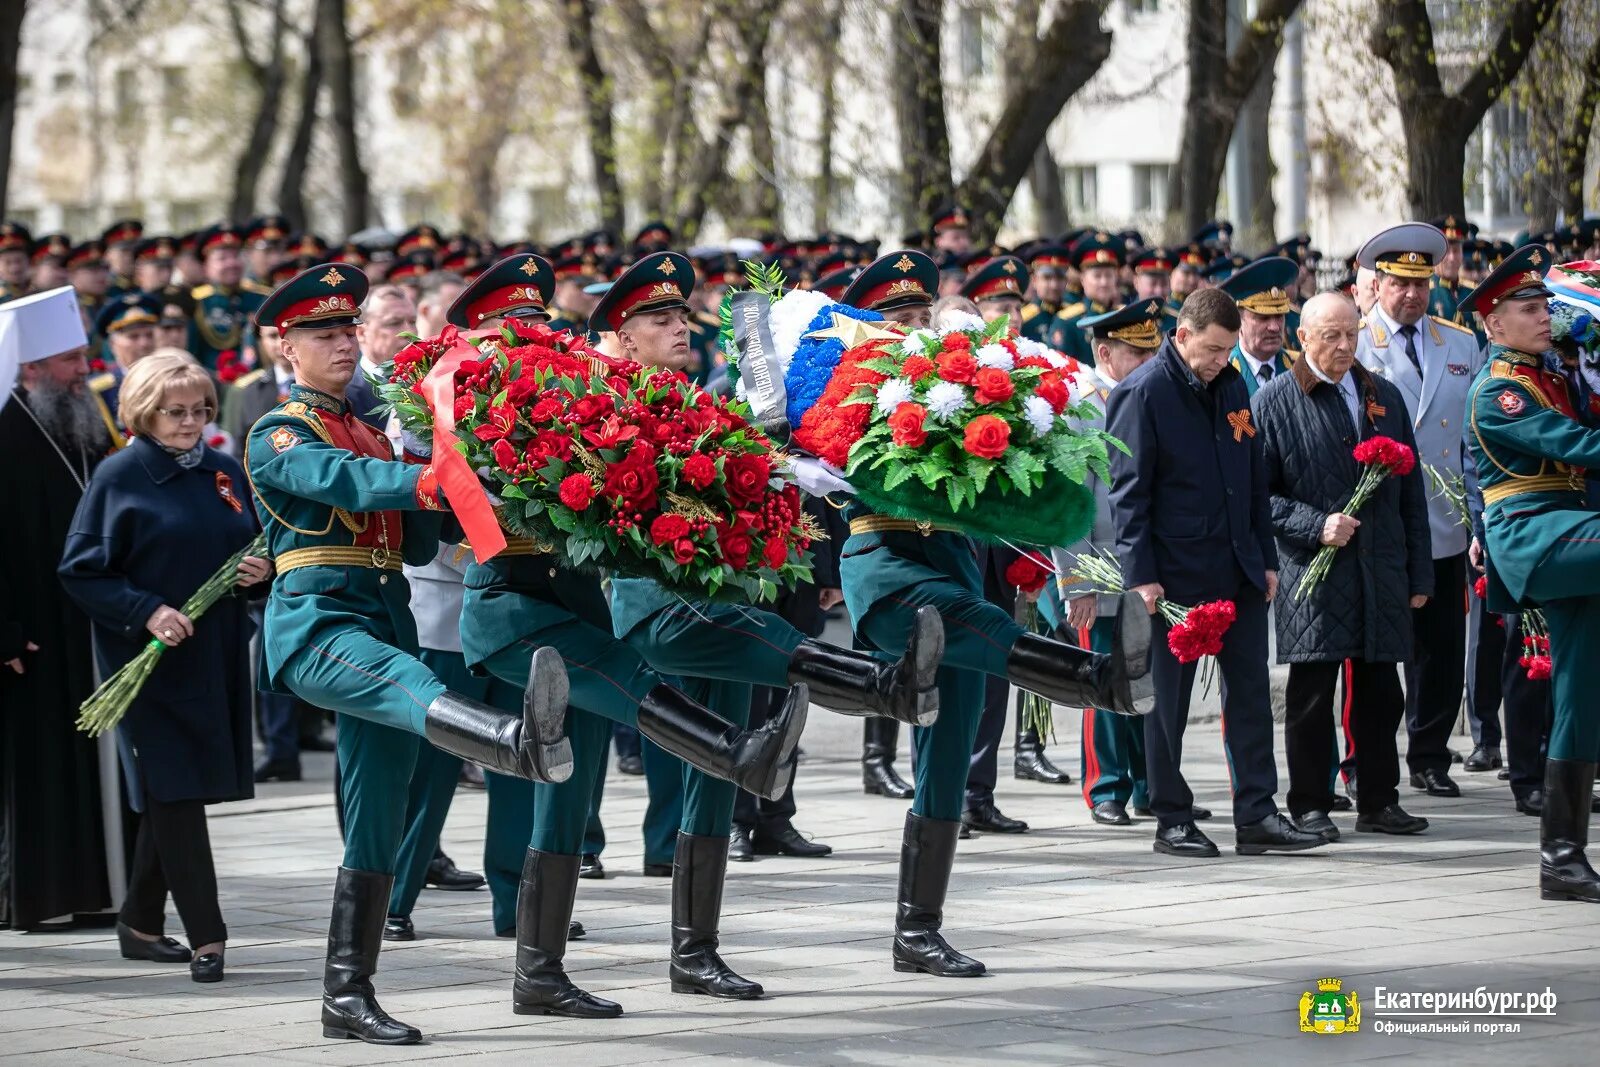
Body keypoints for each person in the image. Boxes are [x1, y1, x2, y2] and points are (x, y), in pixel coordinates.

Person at [583, 251, 947, 1004]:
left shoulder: (698, 397)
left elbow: (754, 440)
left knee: (714, 783)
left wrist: (783, 459)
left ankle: (694, 953)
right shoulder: (604, 400)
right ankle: (882, 685)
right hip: (655, 603)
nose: (679, 327)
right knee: (768, 648)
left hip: (712, 591)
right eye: (658, 319)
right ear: (619, 338)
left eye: (683, 315)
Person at [245, 262, 574, 1045]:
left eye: (347, 329)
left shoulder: (369, 425)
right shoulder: (280, 429)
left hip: (383, 613)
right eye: (322, 333)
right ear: (285, 346)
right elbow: (347, 483)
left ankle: (346, 995)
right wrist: (432, 475)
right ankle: (513, 741)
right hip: (321, 623)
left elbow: (423, 531)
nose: (341, 342)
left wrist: (491, 481)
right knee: (408, 678)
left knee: (378, 815)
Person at [59, 353, 270, 982]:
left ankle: (140, 921)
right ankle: (210, 935)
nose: (190, 423)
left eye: (199, 410)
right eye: (175, 412)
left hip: (214, 651)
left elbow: (247, 543)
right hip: (147, 661)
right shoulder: (119, 476)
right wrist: (147, 611)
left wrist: (258, 576)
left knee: (176, 790)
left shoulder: (222, 469)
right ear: (143, 413)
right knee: (175, 792)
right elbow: (82, 571)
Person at [1107, 287, 1325, 859]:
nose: (1220, 361)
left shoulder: (1230, 385)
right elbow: (1129, 496)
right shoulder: (1142, 393)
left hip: (1238, 570)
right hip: (1172, 577)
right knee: (1168, 706)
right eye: (1211, 350)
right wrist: (1142, 576)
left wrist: (1266, 558)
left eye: (1228, 351)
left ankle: (1257, 813)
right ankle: (1171, 817)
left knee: (1250, 695)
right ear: (1180, 337)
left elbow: (1253, 477)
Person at [1253, 293, 1433, 842]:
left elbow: (1411, 497)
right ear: (1301, 337)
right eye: (1329, 336)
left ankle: (1379, 799)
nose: (1342, 346)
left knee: (1382, 694)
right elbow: (1259, 499)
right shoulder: (1274, 401)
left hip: (1379, 568)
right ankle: (1309, 802)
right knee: (1312, 696)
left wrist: (1419, 575)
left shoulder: (1383, 395)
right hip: (1315, 570)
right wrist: (1316, 525)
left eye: (1351, 334)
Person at [1459, 244, 1600, 900]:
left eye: (1547, 305)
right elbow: (1576, 447)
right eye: (1529, 307)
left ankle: (1562, 860)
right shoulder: (1500, 389)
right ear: (1494, 324)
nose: (1546, 316)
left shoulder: (1550, 372)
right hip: (1536, 537)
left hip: (1574, 536)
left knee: (1581, 696)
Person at [0, 287, 118, 931]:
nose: (84, 370)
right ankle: (34, 897)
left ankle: (94, 889)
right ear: (32, 368)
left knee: (86, 760)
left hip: (89, 622)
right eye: (71, 360)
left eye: (83, 356)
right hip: (32, 631)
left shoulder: (85, 419)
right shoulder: (6, 427)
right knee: (40, 767)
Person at [1355, 222, 1484, 800]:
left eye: (1421, 282)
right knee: (1378, 650)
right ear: (1377, 284)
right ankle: (1366, 758)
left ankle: (1430, 754)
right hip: (1379, 518)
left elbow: (1471, 440)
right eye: (1400, 282)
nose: (1411, 294)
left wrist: (1477, 516)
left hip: (1443, 518)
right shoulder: (1353, 343)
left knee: (1441, 648)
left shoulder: (1458, 343)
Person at [1052, 300, 1168, 826]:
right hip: (1100, 572)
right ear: (1104, 353)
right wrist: (1075, 583)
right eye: (1136, 352)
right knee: (1103, 677)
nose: (1149, 359)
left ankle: (1150, 783)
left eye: (1153, 349)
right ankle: (1106, 787)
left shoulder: (1156, 397)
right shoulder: (1083, 408)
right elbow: (1072, 505)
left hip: (1151, 569)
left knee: (1149, 680)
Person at [188, 225, 270, 372]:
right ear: (206, 266)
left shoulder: (262, 297)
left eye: (236, 256)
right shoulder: (196, 301)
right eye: (222, 258)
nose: (231, 263)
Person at [1221, 256, 1300, 398]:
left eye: (1279, 316)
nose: (1275, 327)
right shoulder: (1221, 372)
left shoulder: (1299, 367)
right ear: (1238, 320)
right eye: (1263, 318)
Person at [1048, 232, 1124, 365]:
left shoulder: (1125, 316)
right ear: (1083, 279)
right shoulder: (1068, 322)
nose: (1104, 282)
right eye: (1097, 276)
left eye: (1109, 275)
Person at [348, 284, 417, 430]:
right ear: (361, 333)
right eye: (394, 323)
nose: (409, 332)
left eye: (412, 322)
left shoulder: (432, 380)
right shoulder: (346, 394)